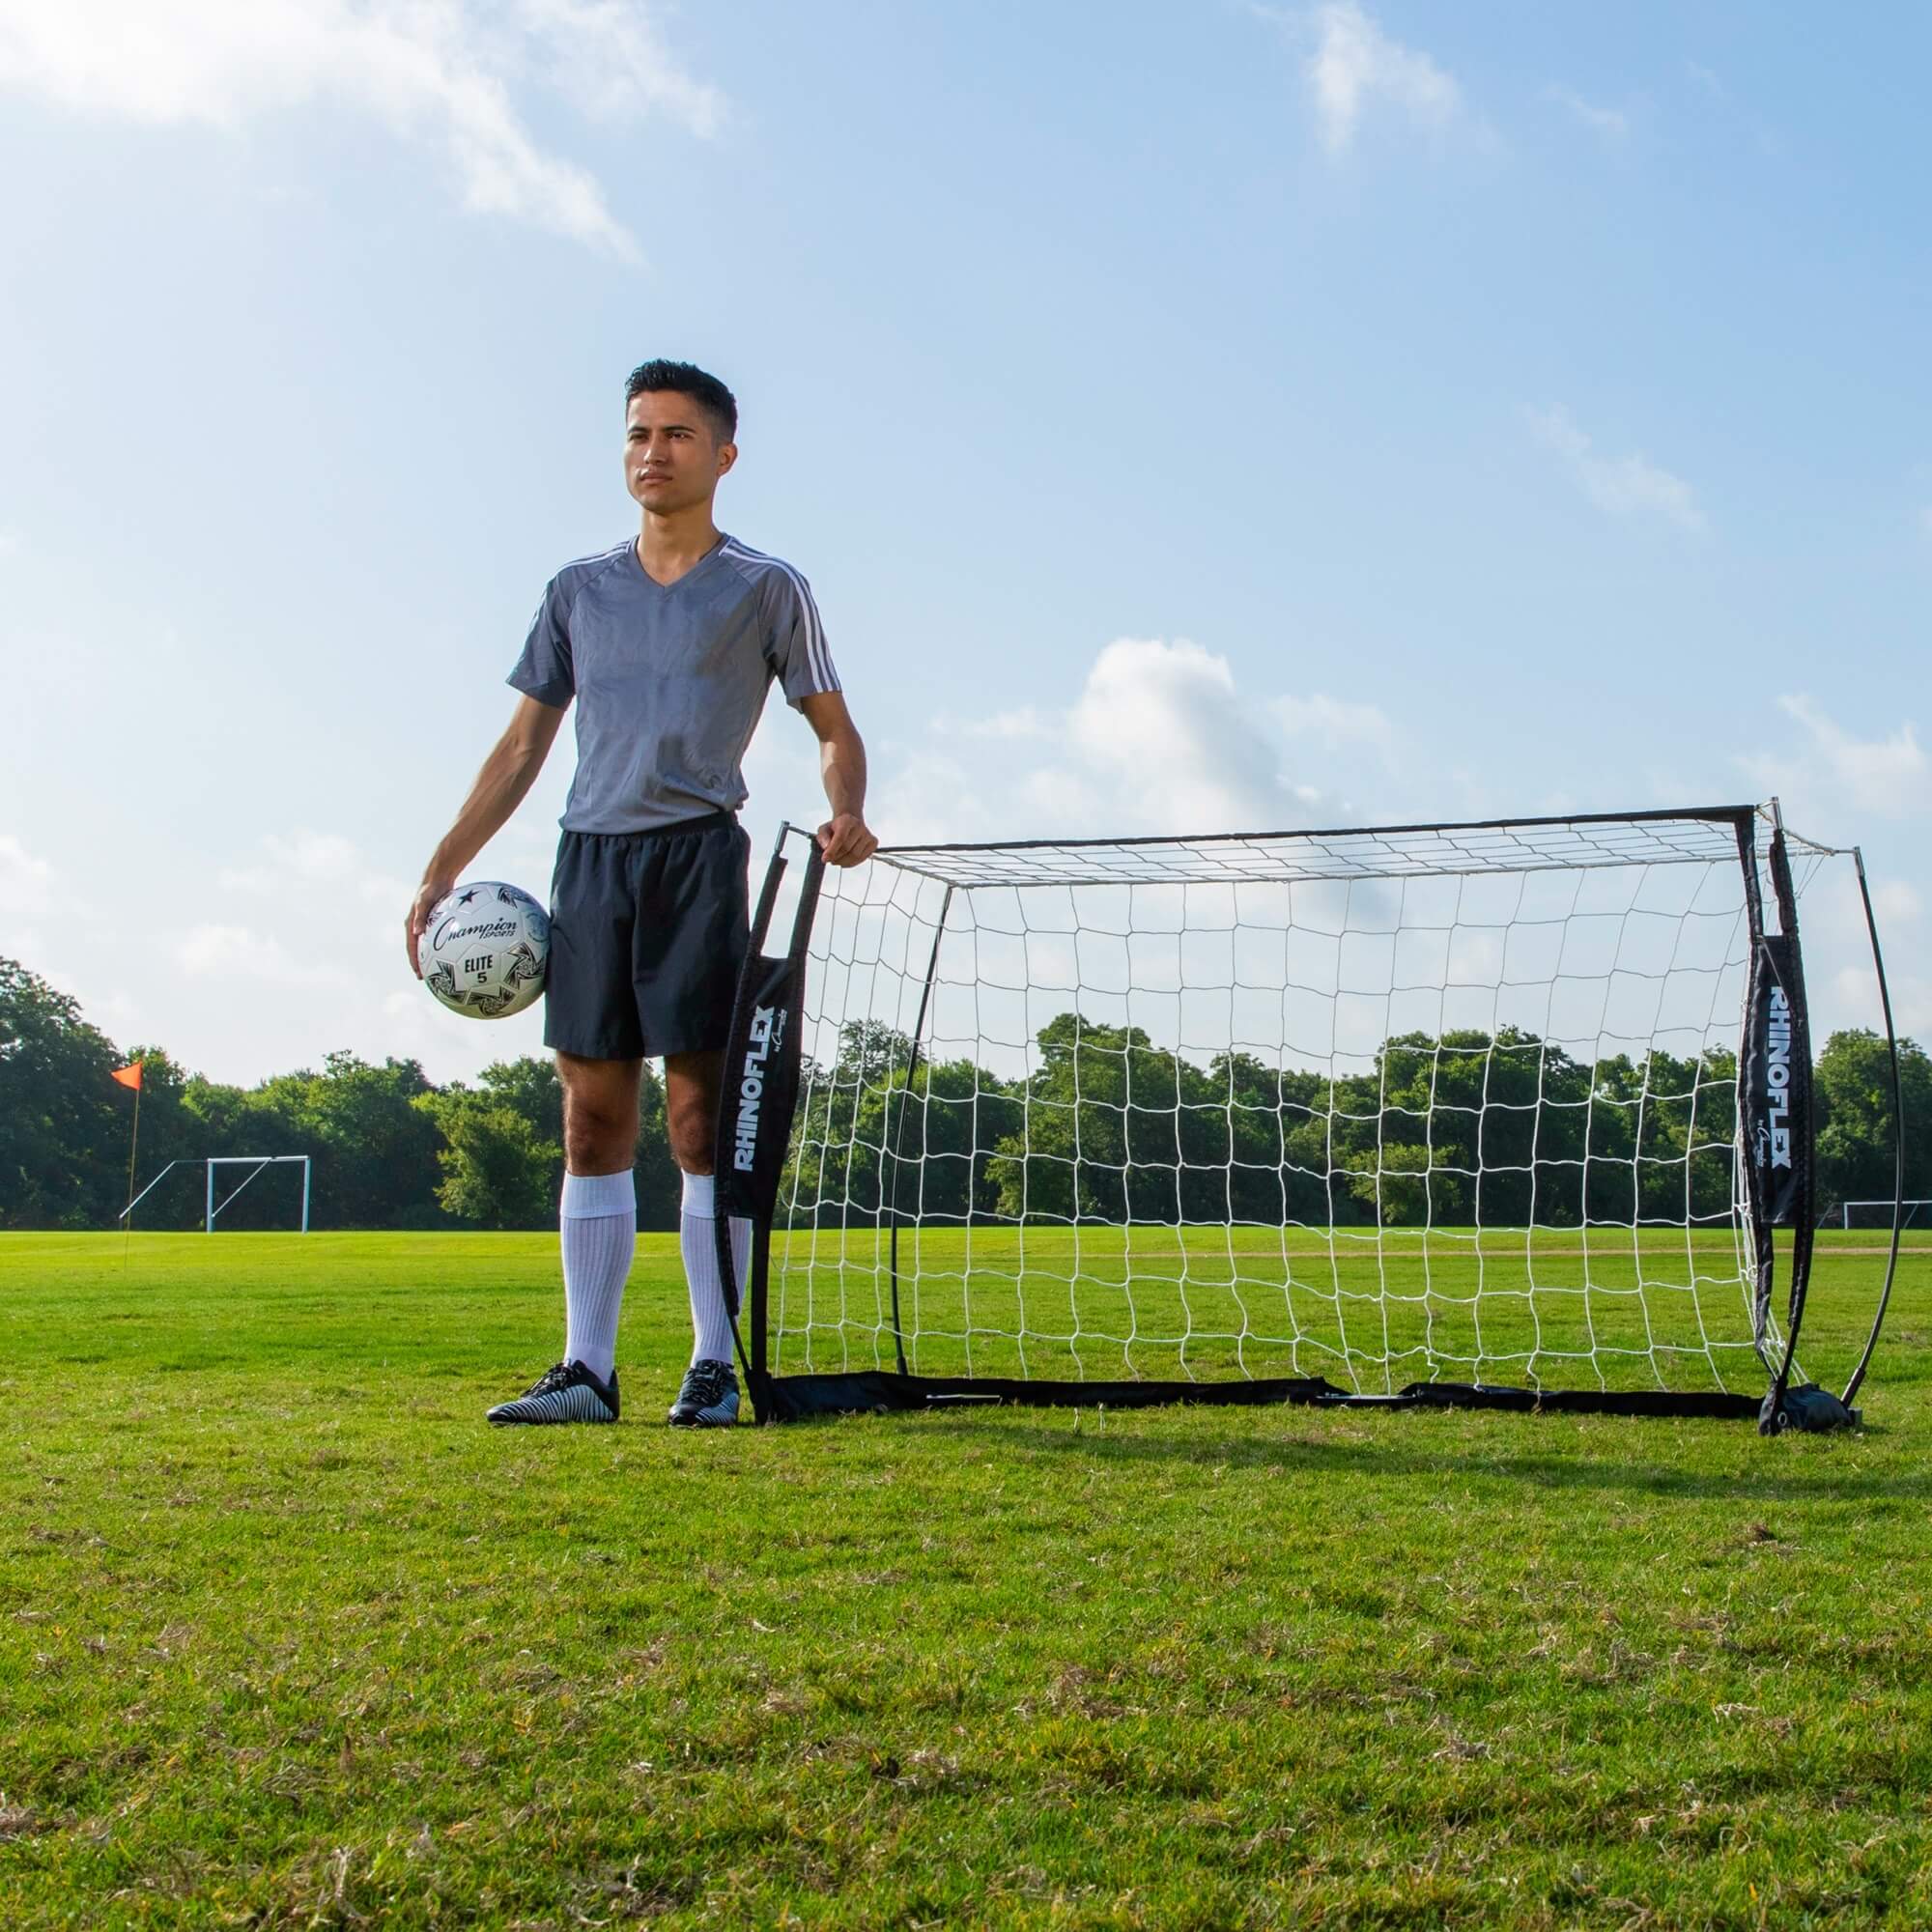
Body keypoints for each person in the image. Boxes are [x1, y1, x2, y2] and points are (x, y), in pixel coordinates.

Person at [406, 359, 876, 1429]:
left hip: (696, 860)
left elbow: (833, 726)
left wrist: (845, 809)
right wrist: (441, 867)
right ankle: (587, 1369)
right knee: (590, 1118)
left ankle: (714, 1365)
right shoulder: (577, 589)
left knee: (699, 1120)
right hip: (589, 865)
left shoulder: (766, 585)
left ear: (723, 455)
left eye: (674, 434)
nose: (651, 452)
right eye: (637, 434)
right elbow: (522, 746)